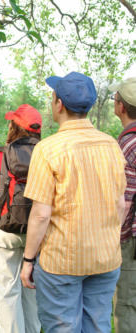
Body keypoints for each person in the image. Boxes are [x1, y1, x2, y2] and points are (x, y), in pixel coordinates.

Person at [20, 71, 127, 333]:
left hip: (62, 262)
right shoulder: (111, 145)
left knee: (63, 328)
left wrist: (28, 260)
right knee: (98, 326)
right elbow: (120, 205)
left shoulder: (48, 149)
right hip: (106, 259)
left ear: (59, 104)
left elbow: (41, 214)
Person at [0, 104, 42, 333]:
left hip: (2, 229)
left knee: (7, 291)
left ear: (13, 127)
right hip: (36, 231)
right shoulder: (49, 154)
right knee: (31, 288)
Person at [110, 77, 136, 333]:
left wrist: (116, 235)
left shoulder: (128, 143)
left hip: (132, 239)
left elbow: (125, 201)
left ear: (120, 107)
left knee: (127, 304)